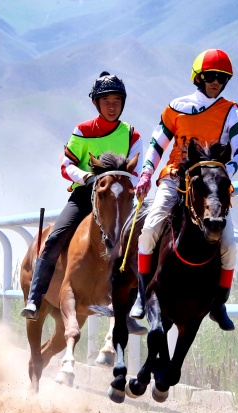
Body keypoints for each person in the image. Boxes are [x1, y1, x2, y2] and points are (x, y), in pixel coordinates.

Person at [20, 71, 145, 337]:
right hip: (85, 195)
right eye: (106, 100)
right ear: (96, 103)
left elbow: (136, 171)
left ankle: (134, 309)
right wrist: (87, 177)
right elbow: (66, 165)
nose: (112, 105)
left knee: (141, 244)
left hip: (118, 200)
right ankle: (35, 296)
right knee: (55, 237)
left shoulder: (133, 135)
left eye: (117, 100)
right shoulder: (83, 130)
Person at [133, 49, 238, 331]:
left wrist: (224, 174)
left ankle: (219, 304)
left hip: (211, 187)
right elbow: (157, 144)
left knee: (230, 244)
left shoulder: (232, 111)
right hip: (175, 178)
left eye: (222, 78)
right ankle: (142, 294)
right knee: (149, 230)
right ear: (198, 77)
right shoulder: (176, 107)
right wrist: (147, 172)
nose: (216, 82)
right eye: (211, 76)